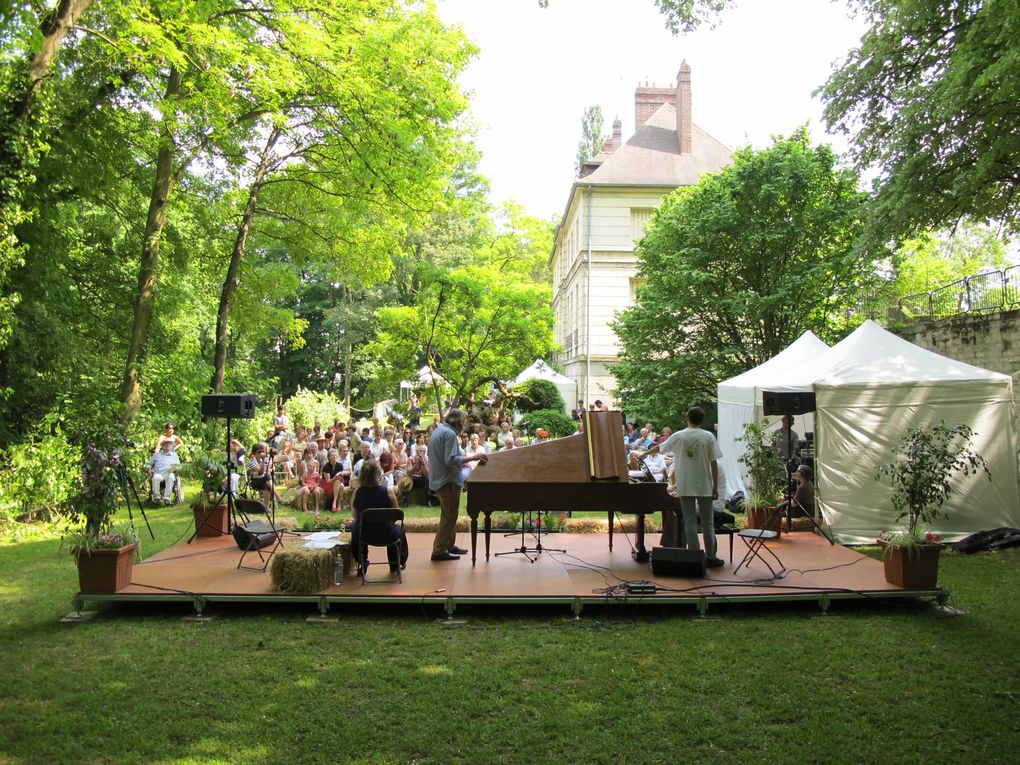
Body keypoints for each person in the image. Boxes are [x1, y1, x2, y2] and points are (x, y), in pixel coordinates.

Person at [640, 406, 723, 568]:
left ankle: (694, 556)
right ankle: (711, 556)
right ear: (702, 419)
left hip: (685, 486)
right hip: (705, 485)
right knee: (708, 523)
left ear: (688, 418)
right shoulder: (708, 437)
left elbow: (658, 448)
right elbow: (714, 464)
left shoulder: (679, 435)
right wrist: (715, 485)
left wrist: (643, 454)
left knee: (690, 522)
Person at [427, 409, 487, 561]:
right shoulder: (450, 434)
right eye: (464, 421)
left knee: (448, 515)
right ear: (459, 422)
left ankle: (449, 546)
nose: (465, 424)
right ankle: (439, 550)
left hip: (439, 479)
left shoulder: (440, 431)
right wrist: (473, 457)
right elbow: (450, 459)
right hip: (446, 481)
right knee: (449, 516)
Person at [351, 459, 408, 572]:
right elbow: (397, 515)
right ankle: (396, 562)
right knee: (399, 528)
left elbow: (355, 516)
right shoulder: (388, 491)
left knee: (355, 527)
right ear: (378, 474)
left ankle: (362, 561)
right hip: (388, 534)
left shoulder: (357, 492)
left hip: (365, 534)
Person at [147, 439, 180, 504]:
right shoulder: (156, 455)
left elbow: (179, 466)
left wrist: (175, 469)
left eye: (169, 444)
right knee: (155, 477)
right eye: (165, 444)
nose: (167, 445)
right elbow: (149, 464)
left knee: (170, 476)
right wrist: (148, 469)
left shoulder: (174, 456)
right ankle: (157, 498)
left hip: (169, 473)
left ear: (171, 446)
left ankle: (166, 498)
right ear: (162, 446)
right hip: (159, 473)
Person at [248, 442, 278, 508]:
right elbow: (261, 472)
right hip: (255, 481)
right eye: (259, 452)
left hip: (265, 479)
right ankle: (278, 496)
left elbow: (270, 468)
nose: (261, 453)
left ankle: (266, 507)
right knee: (267, 477)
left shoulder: (265, 459)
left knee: (266, 484)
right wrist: (263, 460)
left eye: (262, 451)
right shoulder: (252, 462)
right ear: (254, 453)